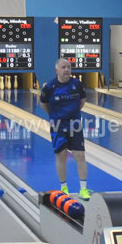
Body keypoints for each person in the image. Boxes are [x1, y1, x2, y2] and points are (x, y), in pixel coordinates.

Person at [40, 58, 91, 200]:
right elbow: (44, 104)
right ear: (57, 70)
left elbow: (82, 101)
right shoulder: (49, 87)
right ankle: (64, 188)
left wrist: (72, 114)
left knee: (80, 156)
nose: (67, 69)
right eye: (63, 67)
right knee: (61, 156)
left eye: (69, 67)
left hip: (75, 125)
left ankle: (83, 189)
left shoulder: (77, 84)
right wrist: (56, 116)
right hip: (58, 126)